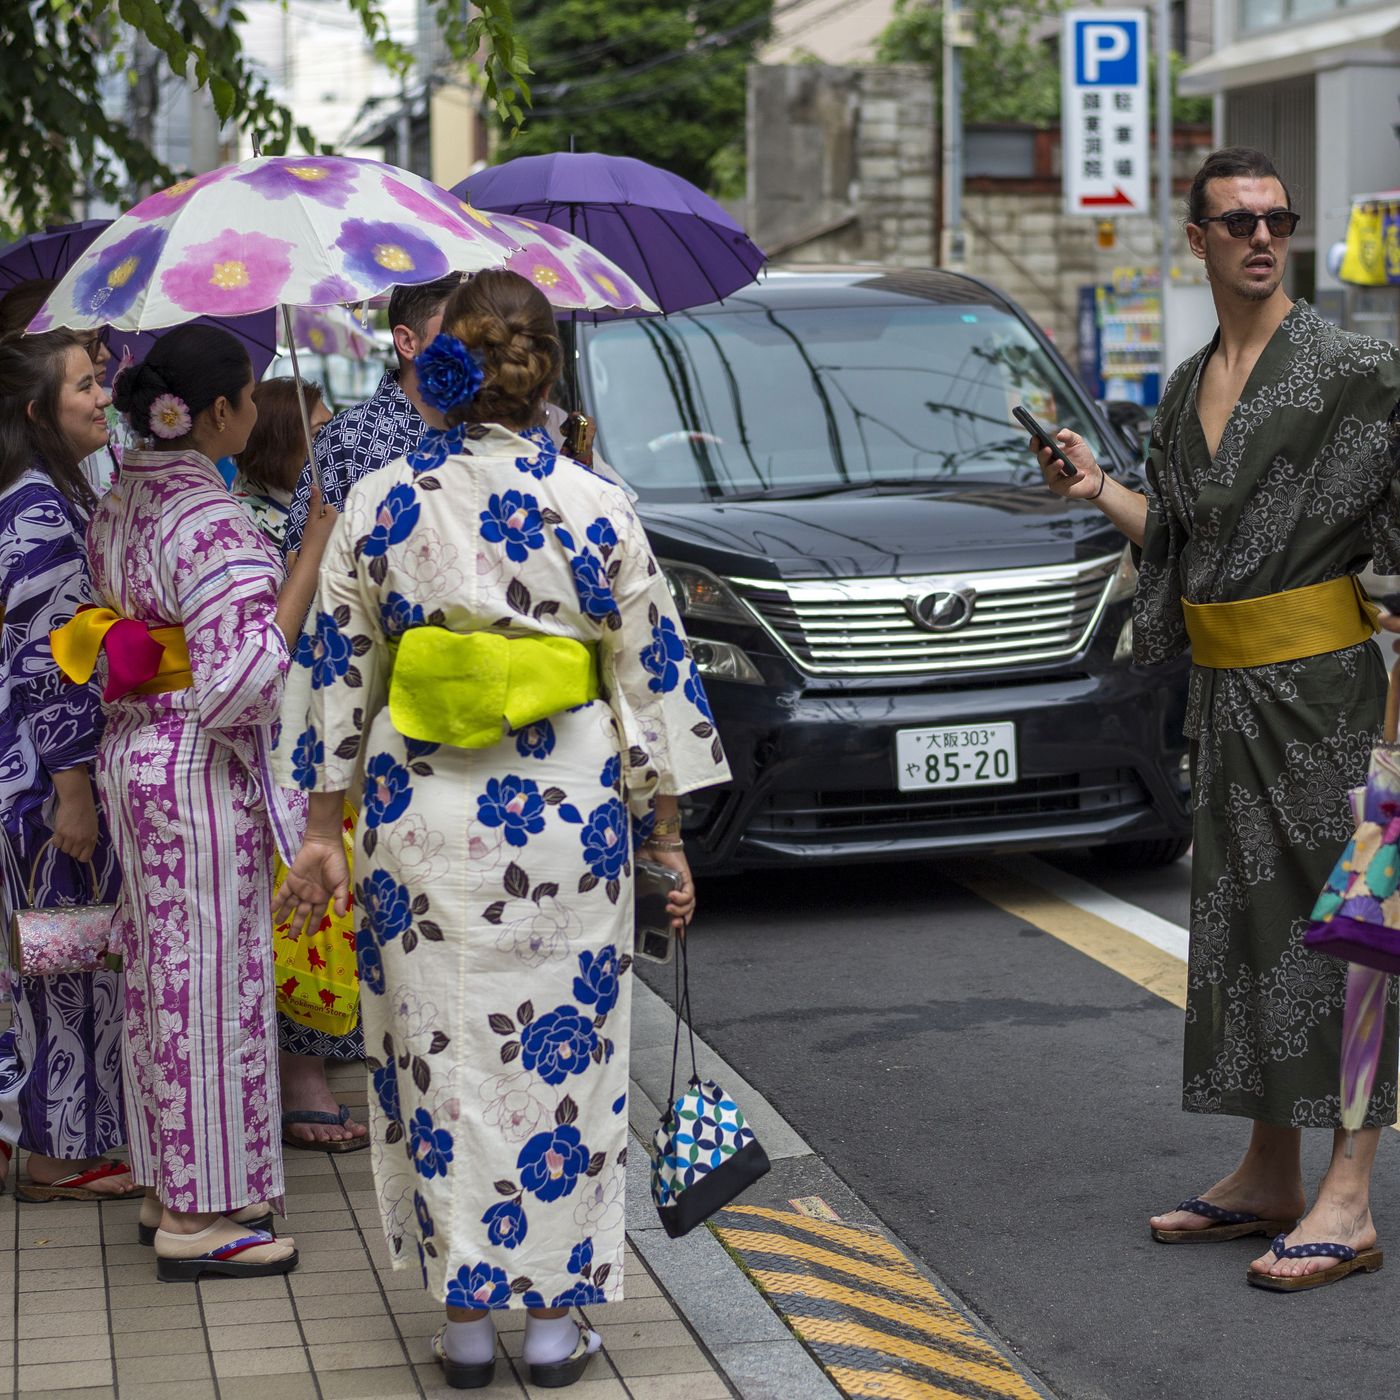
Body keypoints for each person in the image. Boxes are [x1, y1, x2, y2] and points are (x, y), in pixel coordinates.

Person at [273, 269, 729, 1388]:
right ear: (545, 375)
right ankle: (553, 1326)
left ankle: (466, 1324)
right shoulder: (596, 502)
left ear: (445, 366)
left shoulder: (382, 500)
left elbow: (335, 673)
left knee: (437, 1056)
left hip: (419, 818)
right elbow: (653, 686)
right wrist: (665, 839)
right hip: (564, 822)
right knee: (565, 1063)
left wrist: (322, 828)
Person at [1035, 146, 1400, 1292]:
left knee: (1352, 937)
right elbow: (1191, 551)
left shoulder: (1353, 366)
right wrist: (1097, 489)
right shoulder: (1186, 382)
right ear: (1193, 238)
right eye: (1236, 220)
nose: (1259, 237)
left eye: (1275, 220)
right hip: (1230, 697)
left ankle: (1347, 1195)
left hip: (1329, 695)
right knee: (1246, 934)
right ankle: (1267, 1170)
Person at [80, 324, 337, 1279]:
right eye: (252, 396)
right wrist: (308, 555)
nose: (260, 410)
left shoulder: (125, 495)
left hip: (136, 753)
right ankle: (201, 1215)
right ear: (218, 411)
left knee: (162, 983)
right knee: (209, 989)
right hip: (195, 768)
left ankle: (168, 1181)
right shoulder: (210, 519)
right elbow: (242, 682)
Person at [0, 331, 140, 1203]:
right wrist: (74, 792)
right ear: (36, 411)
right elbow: (50, 664)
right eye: (85, 385)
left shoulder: (49, 493)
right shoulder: (39, 509)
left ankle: (62, 1140)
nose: (103, 398)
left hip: (35, 772)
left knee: (62, 954)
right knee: (64, 960)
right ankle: (56, 1154)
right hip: (45, 781)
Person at [231, 374, 368, 1151]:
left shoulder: (297, 509)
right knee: (302, 913)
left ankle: (312, 1065)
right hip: (283, 733)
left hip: (319, 724)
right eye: (317, 428)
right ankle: (299, 1081)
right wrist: (314, 546)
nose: (332, 439)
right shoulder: (254, 522)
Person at [282, 274, 460, 558]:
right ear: (408, 342)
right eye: (460, 330)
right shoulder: (348, 438)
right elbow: (300, 563)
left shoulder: (491, 430)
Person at [0, 279, 118, 495]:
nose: (104, 354)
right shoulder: (34, 499)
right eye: (87, 343)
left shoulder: (107, 417)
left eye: (101, 338)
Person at [232, 378, 333, 552]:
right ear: (277, 449)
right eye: (319, 433)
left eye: (334, 429)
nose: (335, 442)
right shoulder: (242, 530)